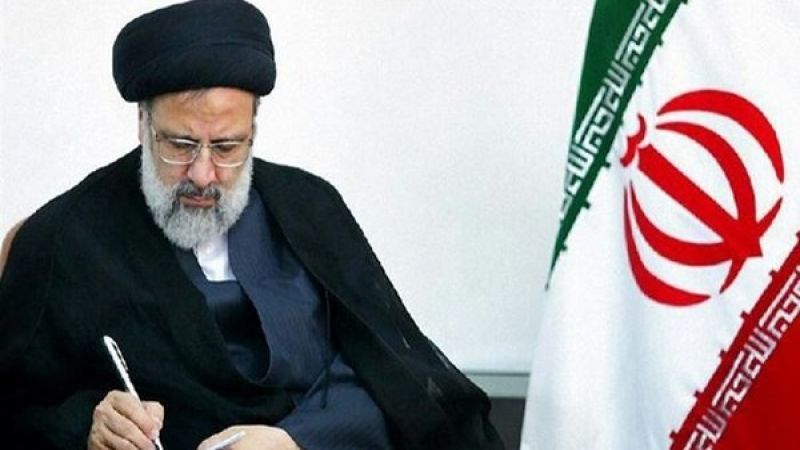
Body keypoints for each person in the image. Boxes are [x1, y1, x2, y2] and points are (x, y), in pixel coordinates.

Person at [0, 1, 503, 449]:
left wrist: (296, 439)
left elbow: (395, 369)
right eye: (180, 145)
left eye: (226, 147)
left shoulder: (311, 208)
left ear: (253, 130)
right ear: (142, 124)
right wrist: (87, 426)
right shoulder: (64, 240)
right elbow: (15, 409)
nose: (202, 175)